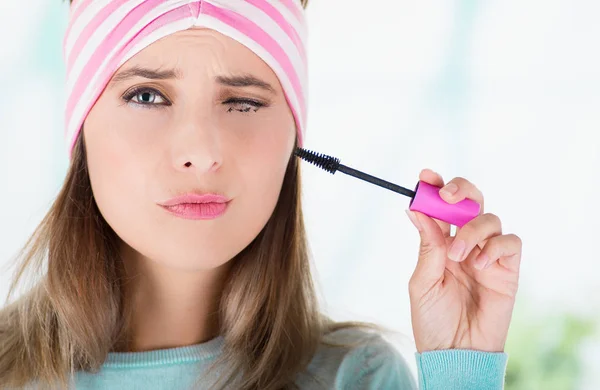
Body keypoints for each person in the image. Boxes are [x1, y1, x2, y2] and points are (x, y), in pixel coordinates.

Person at [0, 0, 522, 389]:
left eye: (244, 102)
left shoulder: (357, 378)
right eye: (147, 95)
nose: (201, 151)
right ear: (81, 128)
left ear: (294, 141)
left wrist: (461, 369)